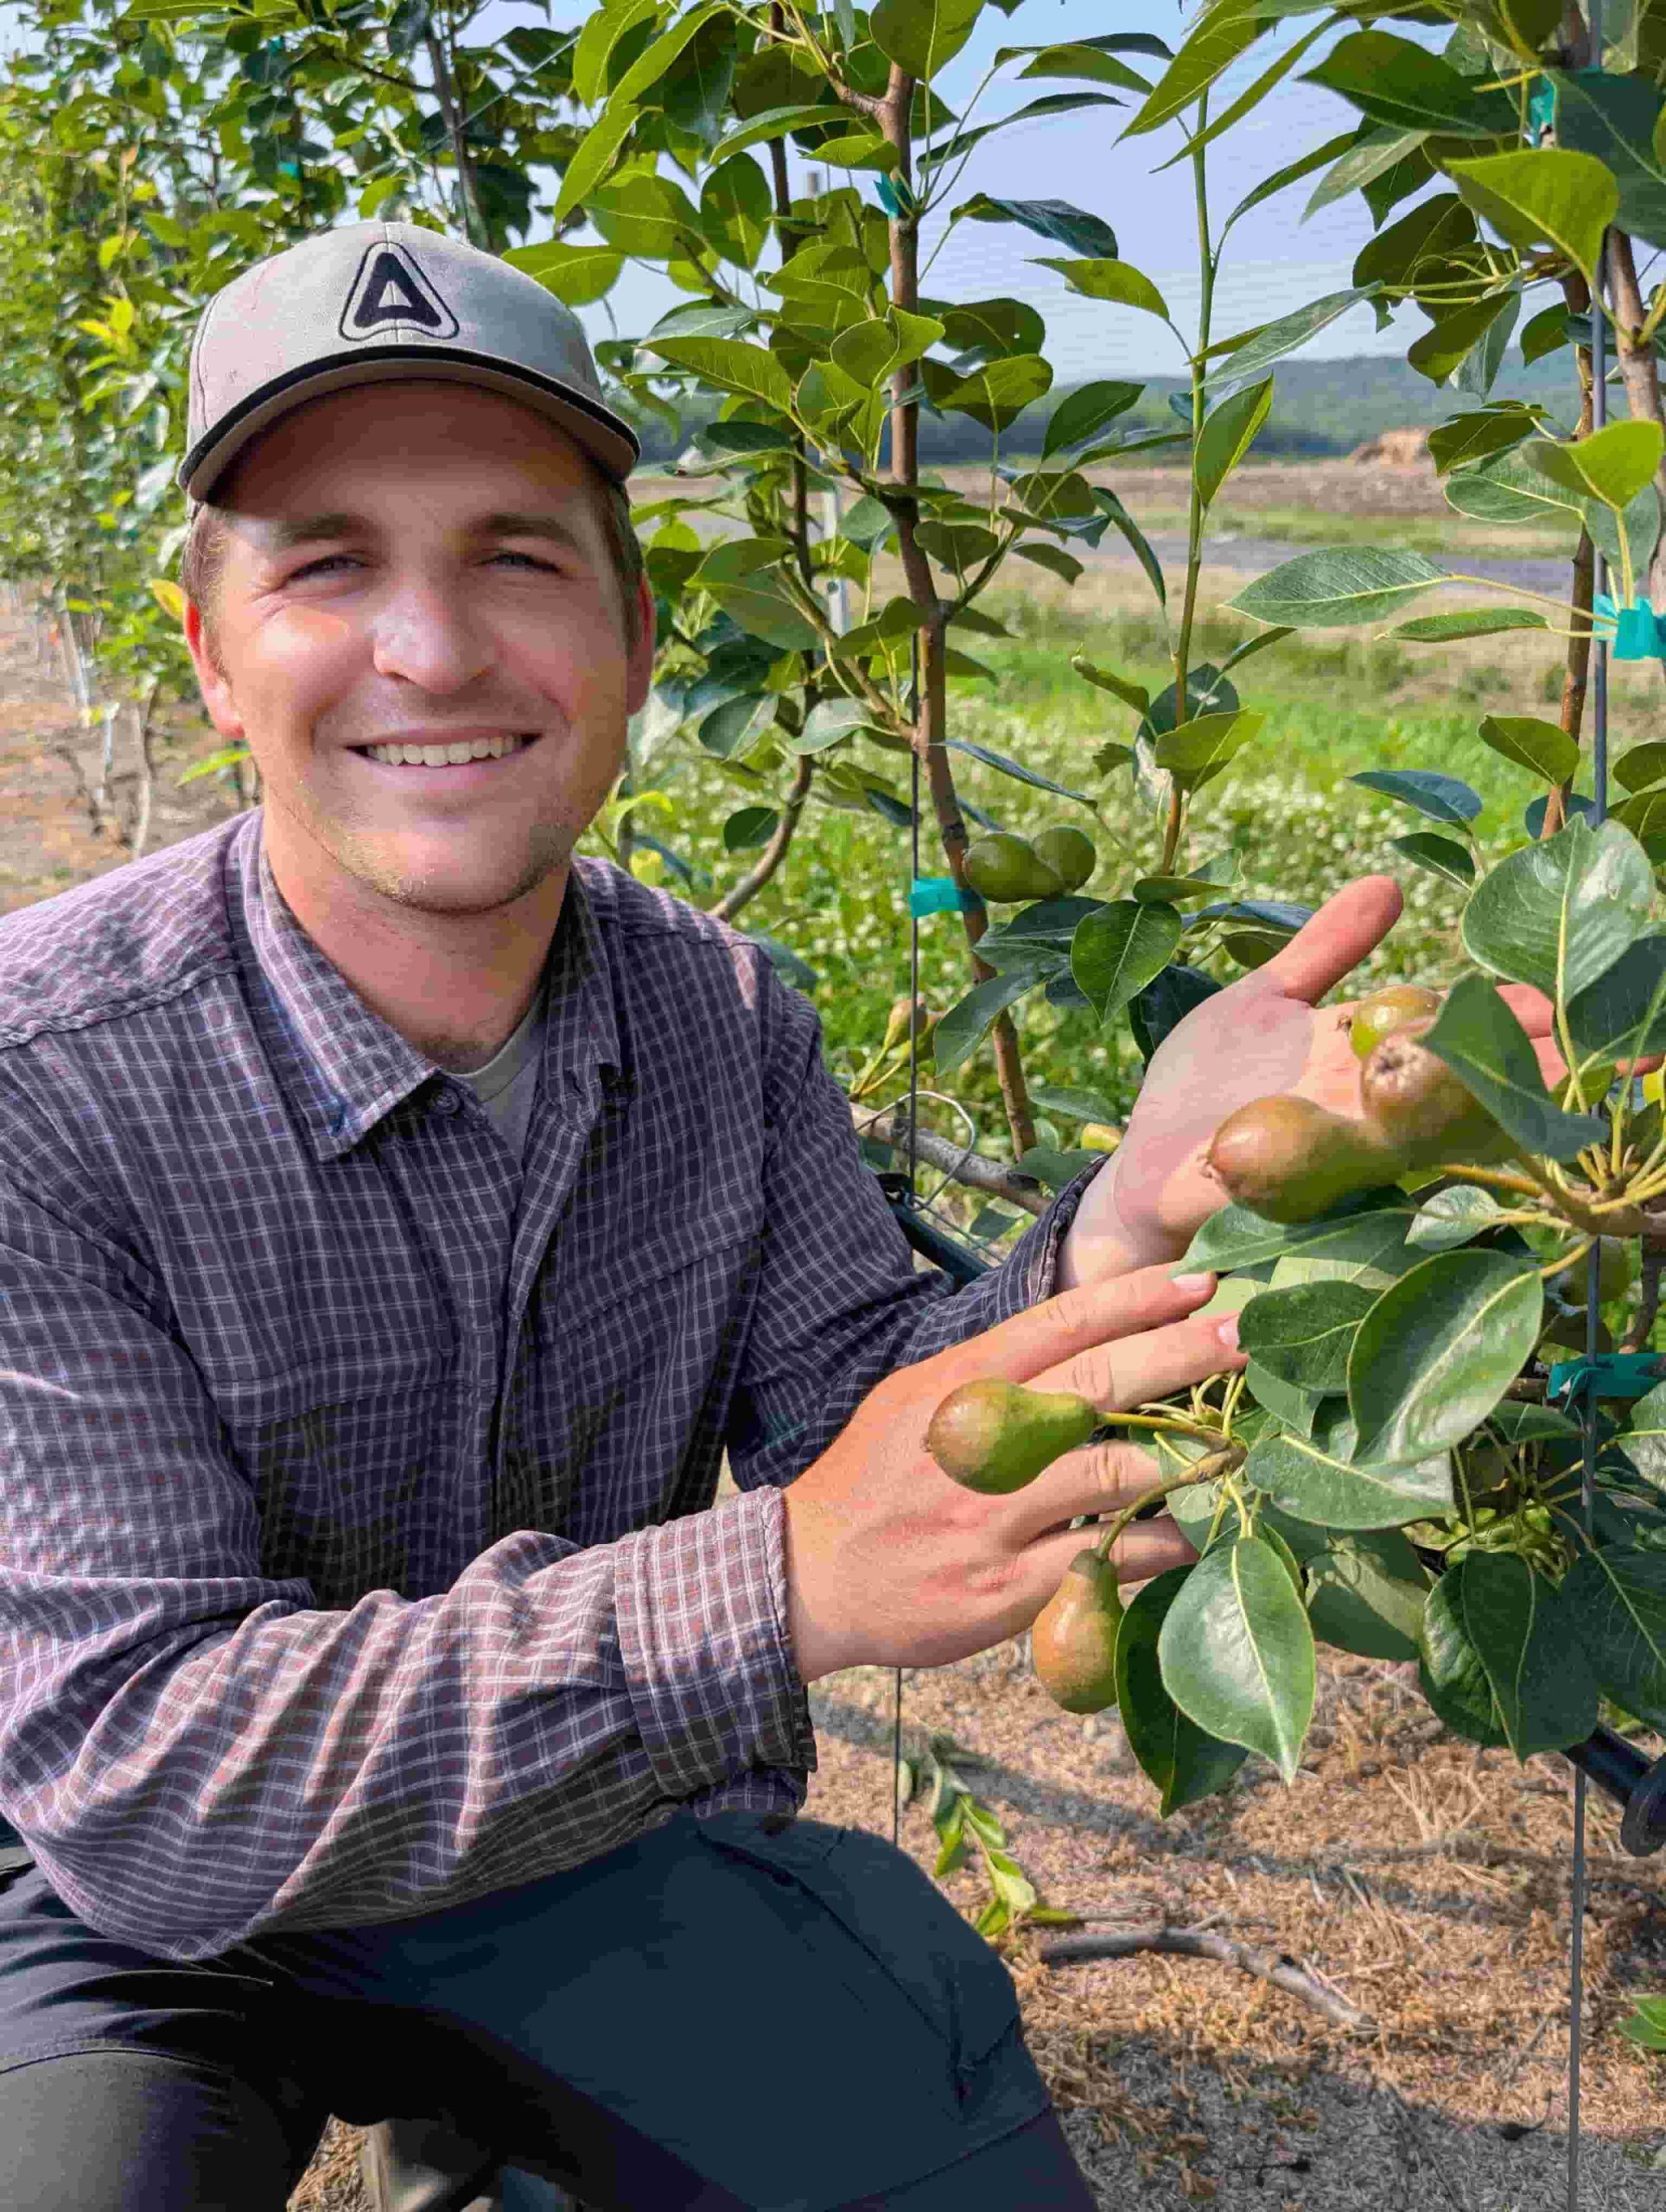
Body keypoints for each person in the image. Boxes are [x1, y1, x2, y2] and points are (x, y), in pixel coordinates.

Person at [0, 221, 1563, 2212]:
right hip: (127, 1911)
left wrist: (1124, 1224)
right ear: (210, 655)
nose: (432, 645)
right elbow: (144, 1780)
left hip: (571, 1827)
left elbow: (851, 1399)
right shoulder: (37, 1071)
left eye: (516, 553)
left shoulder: (722, 1015)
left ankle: (489, 2118)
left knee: (927, 2141)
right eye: (327, 562)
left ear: (636, 643)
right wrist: (783, 1581)